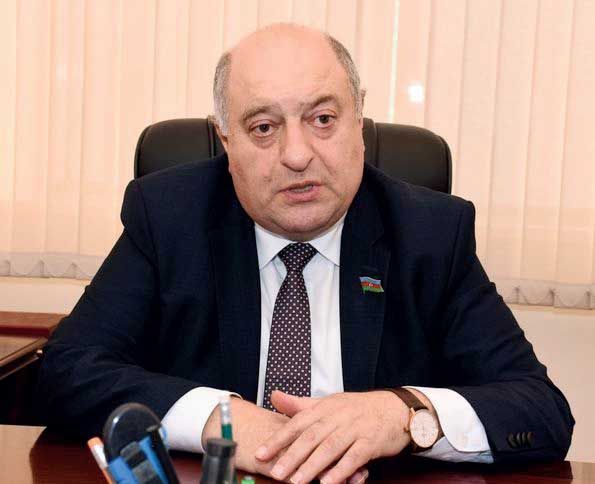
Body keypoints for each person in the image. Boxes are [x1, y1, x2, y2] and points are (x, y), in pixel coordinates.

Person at [37, 23, 573, 484]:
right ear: (227, 142)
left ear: (358, 123)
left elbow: (540, 409)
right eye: (263, 127)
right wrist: (223, 421)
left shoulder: (430, 233)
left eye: (322, 119)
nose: (296, 155)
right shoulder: (168, 217)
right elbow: (66, 370)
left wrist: (401, 416)